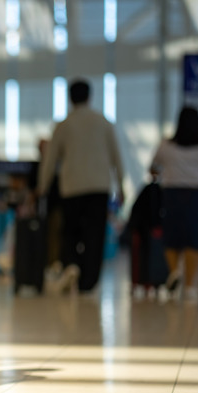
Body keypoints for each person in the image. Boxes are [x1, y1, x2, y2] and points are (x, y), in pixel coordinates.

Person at [38, 79, 125, 294]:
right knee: (95, 234)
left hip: (72, 186)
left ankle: (72, 265)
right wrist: (121, 186)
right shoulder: (103, 122)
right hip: (99, 186)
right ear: (90, 96)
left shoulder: (63, 125)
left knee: (71, 232)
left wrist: (42, 186)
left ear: (70, 98)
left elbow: (50, 159)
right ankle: (89, 281)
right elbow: (116, 157)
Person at [150, 107, 198, 301]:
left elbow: (153, 168)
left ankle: (174, 271)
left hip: (172, 194)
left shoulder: (166, 146)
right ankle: (190, 286)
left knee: (172, 236)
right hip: (197, 195)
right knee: (194, 239)